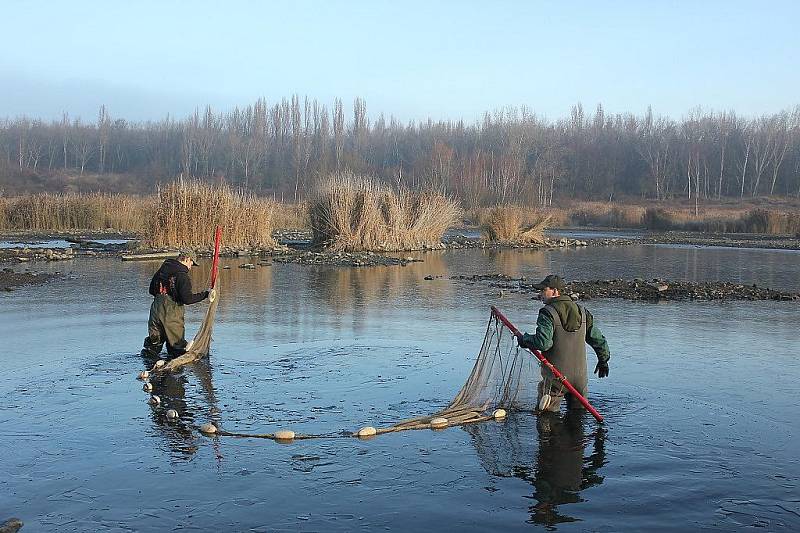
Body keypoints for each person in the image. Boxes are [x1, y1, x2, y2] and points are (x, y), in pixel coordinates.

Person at [517, 274, 610, 412]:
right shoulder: (583, 312)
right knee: (578, 420)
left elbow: (543, 343)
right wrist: (603, 360)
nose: (540, 294)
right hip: (580, 381)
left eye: (544, 290)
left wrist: (524, 340)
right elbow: (598, 340)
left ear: (555, 291)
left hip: (556, 379)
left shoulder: (547, 313)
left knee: (546, 420)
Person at [142, 251, 216, 358]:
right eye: (191, 263)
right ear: (186, 259)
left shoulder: (161, 270)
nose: (191, 267)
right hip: (171, 312)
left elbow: (151, 290)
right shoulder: (182, 276)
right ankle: (173, 372)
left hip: (155, 310)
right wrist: (206, 294)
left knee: (152, 347)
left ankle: (151, 370)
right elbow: (187, 299)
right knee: (177, 348)